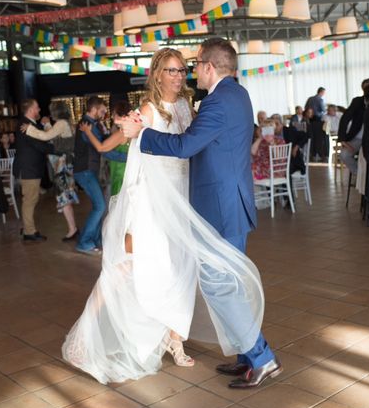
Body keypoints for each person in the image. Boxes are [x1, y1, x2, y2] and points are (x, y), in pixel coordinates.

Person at [62, 46, 266, 386]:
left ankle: (175, 339)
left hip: (184, 199)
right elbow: (118, 142)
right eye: (170, 70)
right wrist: (131, 131)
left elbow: (194, 144)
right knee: (127, 267)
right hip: (154, 200)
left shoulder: (189, 106)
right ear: (157, 74)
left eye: (182, 69)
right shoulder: (147, 109)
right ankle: (85, 337)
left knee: (181, 270)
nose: (178, 75)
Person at [118, 39, 280, 389]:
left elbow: (185, 146)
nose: (191, 74)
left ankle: (262, 357)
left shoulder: (216, 102)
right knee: (230, 283)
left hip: (219, 207)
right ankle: (247, 357)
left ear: (208, 66)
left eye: (193, 67)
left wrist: (141, 134)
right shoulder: (238, 94)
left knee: (218, 285)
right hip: (230, 201)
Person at [21, 101, 79, 242]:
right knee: (65, 196)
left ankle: (72, 229)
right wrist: (47, 125)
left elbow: (47, 137)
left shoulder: (61, 123)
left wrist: (29, 129)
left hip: (63, 167)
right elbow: (55, 139)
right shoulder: (65, 123)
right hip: (65, 166)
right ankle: (73, 228)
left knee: (64, 197)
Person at [72, 97, 113, 255]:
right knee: (100, 206)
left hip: (89, 170)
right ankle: (84, 242)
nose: (103, 114)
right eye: (102, 111)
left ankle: (95, 240)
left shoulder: (92, 124)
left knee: (99, 206)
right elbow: (100, 144)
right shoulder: (86, 124)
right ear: (94, 109)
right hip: (85, 171)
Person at [13, 99, 54, 242]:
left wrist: (42, 125)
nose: (39, 110)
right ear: (30, 109)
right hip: (28, 168)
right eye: (37, 107)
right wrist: (59, 149)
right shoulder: (25, 125)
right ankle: (29, 232)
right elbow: (40, 145)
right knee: (30, 200)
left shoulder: (30, 124)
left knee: (31, 199)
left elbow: (39, 139)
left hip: (30, 168)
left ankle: (27, 228)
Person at [79, 100, 130, 203]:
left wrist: (88, 132)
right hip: (125, 171)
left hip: (120, 173)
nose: (111, 117)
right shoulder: (130, 130)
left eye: (114, 114)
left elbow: (101, 148)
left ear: (122, 115)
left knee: (118, 204)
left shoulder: (122, 132)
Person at [338, 78, 369, 174]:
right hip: (357, 138)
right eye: (366, 88)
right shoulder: (357, 101)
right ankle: (360, 175)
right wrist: (342, 139)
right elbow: (345, 118)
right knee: (344, 154)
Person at [305, 87, 326, 161]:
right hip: (318, 120)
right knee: (318, 139)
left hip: (310, 120)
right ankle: (318, 155)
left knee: (312, 138)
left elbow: (306, 108)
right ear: (322, 92)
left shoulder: (310, 98)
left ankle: (312, 154)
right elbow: (323, 110)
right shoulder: (320, 99)